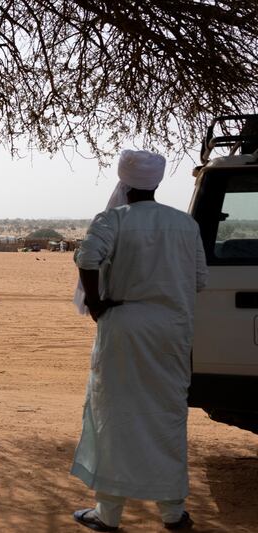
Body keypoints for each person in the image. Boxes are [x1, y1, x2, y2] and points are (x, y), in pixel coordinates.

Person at [70, 149, 208, 532]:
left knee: (115, 415)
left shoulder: (112, 219)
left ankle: (108, 513)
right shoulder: (184, 224)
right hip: (172, 331)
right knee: (167, 415)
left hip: (124, 326)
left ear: (124, 180)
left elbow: (87, 258)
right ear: (157, 182)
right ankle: (173, 512)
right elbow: (199, 279)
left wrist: (97, 304)